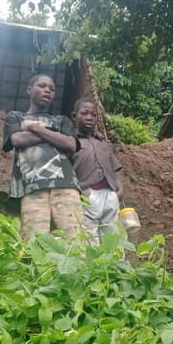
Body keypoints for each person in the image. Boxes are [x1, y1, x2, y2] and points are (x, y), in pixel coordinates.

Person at [3, 73, 83, 238]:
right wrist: (53, 134)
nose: (48, 91)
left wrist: (36, 128)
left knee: (76, 239)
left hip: (65, 185)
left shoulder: (62, 120)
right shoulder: (16, 117)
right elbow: (17, 139)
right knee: (32, 241)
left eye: (52, 89)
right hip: (31, 187)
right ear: (29, 89)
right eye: (42, 86)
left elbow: (71, 144)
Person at [71, 98, 124, 241]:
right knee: (89, 237)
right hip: (87, 195)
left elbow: (115, 168)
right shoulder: (70, 142)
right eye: (84, 113)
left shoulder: (103, 143)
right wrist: (79, 194)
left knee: (113, 237)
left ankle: (115, 263)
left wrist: (119, 191)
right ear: (74, 116)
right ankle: (91, 263)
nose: (89, 117)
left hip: (110, 194)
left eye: (93, 115)